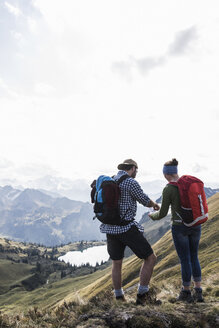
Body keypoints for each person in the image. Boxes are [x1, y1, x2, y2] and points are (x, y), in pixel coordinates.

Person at [99, 159, 160, 305]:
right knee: (150, 258)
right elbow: (144, 200)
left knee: (116, 262)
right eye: (136, 170)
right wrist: (156, 205)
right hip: (126, 228)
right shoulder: (130, 182)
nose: (136, 173)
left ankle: (119, 297)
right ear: (132, 168)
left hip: (110, 228)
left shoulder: (111, 180)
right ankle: (142, 295)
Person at [149, 158, 204, 303]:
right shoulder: (187, 184)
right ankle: (199, 291)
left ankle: (186, 292)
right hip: (195, 224)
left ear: (166, 174)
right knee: (194, 257)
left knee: (185, 260)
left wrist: (152, 216)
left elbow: (162, 213)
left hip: (180, 227)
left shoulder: (169, 189)